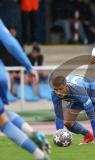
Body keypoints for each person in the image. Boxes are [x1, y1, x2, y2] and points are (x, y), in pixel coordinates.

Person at [0, 19, 50, 159]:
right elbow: (10, 43)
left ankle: (39, 155)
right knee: (2, 114)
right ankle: (32, 132)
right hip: (1, 75)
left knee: (3, 122)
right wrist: (28, 67)